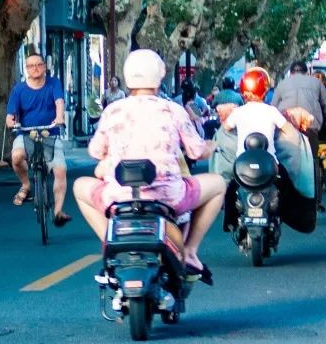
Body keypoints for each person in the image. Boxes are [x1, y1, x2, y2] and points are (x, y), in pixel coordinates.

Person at [72, 48, 225, 279]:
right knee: (218, 184)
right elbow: (196, 152)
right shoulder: (172, 109)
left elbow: (95, 151)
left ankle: (109, 242)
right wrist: (211, 145)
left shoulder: (113, 110)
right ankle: (191, 252)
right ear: (159, 77)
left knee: (79, 186)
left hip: (119, 195)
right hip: (169, 196)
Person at [214, 67, 316, 206]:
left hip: (241, 164)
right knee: (288, 186)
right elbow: (288, 131)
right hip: (270, 164)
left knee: (230, 192)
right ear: (265, 90)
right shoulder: (272, 111)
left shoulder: (238, 113)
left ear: (243, 91)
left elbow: (224, 131)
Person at [6, 52, 69, 223]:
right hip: (26, 133)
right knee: (17, 157)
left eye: (39, 64)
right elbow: (10, 114)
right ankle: (26, 185)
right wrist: (11, 121)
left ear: (44, 66)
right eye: (31, 65)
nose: (36, 68)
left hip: (50, 133)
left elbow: (59, 102)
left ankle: (58, 211)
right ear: (26, 69)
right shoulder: (18, 90)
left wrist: (59, 117)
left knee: (60, 170)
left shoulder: (53, 83)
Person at [273, 58, 326, 156]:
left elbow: (274, 108)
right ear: (307, 72)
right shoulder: (317, 83)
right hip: (310, 127)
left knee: (283, 158)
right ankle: (315, 168)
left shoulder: (281, 84)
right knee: (314, 157)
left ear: (291, 73)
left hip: (287, 128)